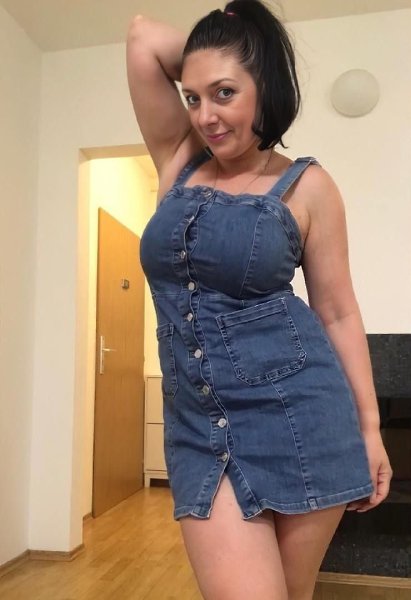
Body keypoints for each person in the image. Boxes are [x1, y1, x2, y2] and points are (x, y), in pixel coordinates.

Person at [126, 2, 392, 598]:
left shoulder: (308, 186)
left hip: (302, 416)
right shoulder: (179, 158)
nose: (206, 115)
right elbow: (143, 37)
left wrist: (370, 429)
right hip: (197, 425)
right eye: (193, 97)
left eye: (225, 93)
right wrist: (224, 36)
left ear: (265, 85)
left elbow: (338, 312)